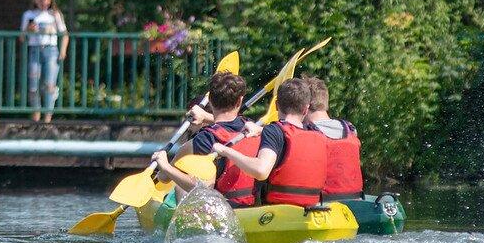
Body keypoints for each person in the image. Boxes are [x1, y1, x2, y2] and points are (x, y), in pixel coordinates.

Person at [210, 77, 329, 207]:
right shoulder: (317, 134)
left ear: (277, 105)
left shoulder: (274, 131)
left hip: (278, 214)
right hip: (312, 211)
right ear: (306, 109)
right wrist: (261, 130)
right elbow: (291, 136)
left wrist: (226, 151)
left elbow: (261, 171)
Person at [154, 71, 259, 207]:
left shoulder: (201, 141)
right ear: (240, 101)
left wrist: (164, 165)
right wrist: (205, 116)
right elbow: (230, 124)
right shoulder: (253, 128)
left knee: (179, 185)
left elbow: (164, 178)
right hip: (255, 206)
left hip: (222, 211)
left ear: (210, 101)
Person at [303, 75, 363, 198]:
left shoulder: (305, 133)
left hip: (323, 203)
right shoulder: (351, 129)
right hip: (355, 199)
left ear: (304, 105)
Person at [20, 0, 68, 122]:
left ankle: (47, 117)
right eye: (41, 0)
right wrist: (29, 30)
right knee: (33, 84)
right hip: (35, 50)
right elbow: (22, 37)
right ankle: (36, 115)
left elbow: (64, 34)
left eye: (47, 0)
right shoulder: (28, 15)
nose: (44, 3)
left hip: (51, 50)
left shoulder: (55, 14)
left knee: (49, 84)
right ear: (35, 0)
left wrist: (63, 50)